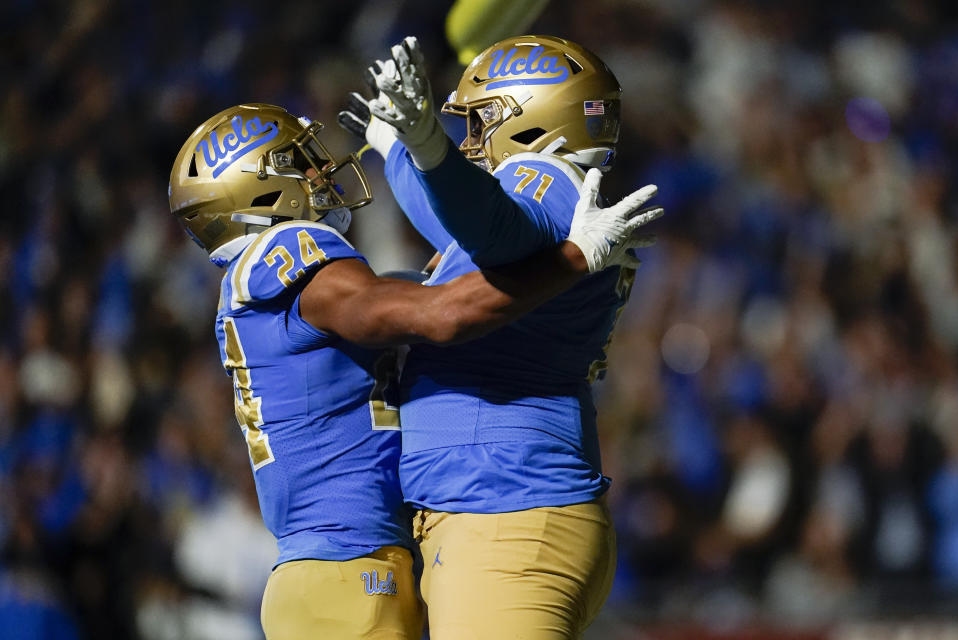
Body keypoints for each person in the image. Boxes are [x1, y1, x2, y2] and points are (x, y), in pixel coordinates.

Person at [168, 102, 662, 640]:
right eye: (299, 163)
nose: (321, 172)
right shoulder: (285, 249)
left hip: (346, 569)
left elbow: (419, 305)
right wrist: (573, 257)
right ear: (258, 191)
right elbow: (442, 316)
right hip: (347, 571)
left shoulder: (272, 283)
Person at [340, 35, 656, 638]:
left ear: (534, 121)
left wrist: (428, 143)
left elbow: (491, 223)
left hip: (504, 509)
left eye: (482, 119)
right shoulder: (559, 202)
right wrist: (398, 146)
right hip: (509, 509)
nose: (471, 138)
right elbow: (457, 221)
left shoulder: (547, 181)